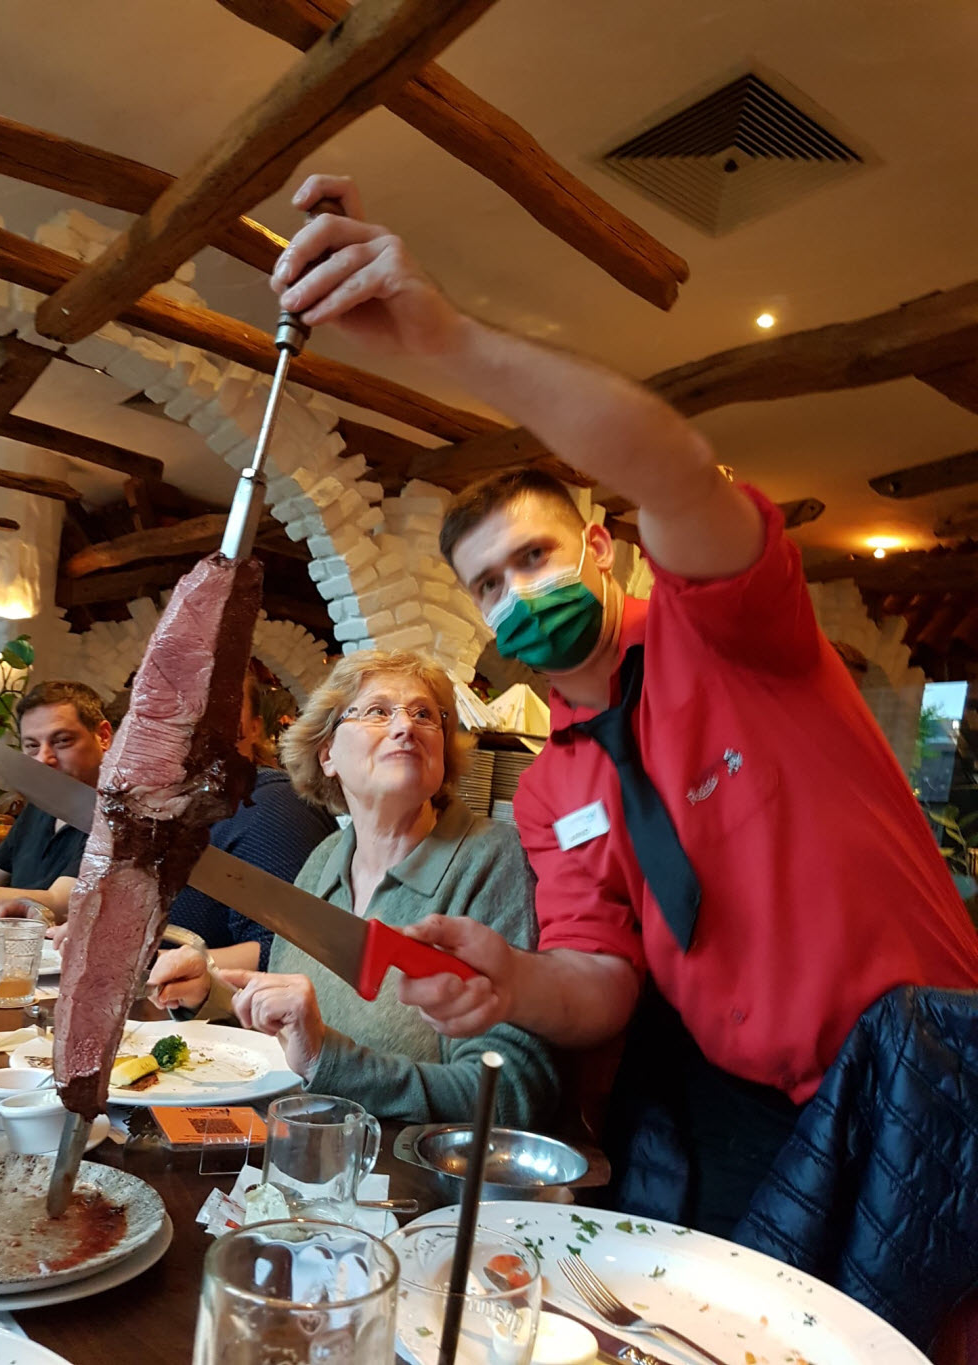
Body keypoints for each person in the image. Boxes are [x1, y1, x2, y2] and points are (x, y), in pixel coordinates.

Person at [268, 174, 978, 1233]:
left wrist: (449, 341)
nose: (518, 595)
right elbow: (599, 981)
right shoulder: (554, 788)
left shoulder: (727, 631)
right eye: (489, 585)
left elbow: (677, 470)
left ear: (599, 547)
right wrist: (510, 982)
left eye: (535, 558)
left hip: (923, 1071)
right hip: (741, 1110)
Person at [148, 649, 559, 1127]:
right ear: (327, 755)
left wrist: (329, 1059)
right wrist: (212, 991)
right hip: (301, 1147)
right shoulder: (324, 859)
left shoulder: (492, 860)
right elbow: (295, 1026)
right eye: (378, 711)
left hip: (403, 1167)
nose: (405, 727)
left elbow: (512, 1091)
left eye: (425, 715)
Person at [167, 669, 336, 971]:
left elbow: (289, 948)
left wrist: (163, 967)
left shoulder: (270, 807)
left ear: (255, 728)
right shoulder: (179, 808)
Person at [0, 681, 111, 923]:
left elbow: (59, 906)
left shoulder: (117, 818)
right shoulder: (42, 804)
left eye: (62, 741)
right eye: (32, 746)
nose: (43, 759)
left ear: (103, 736)